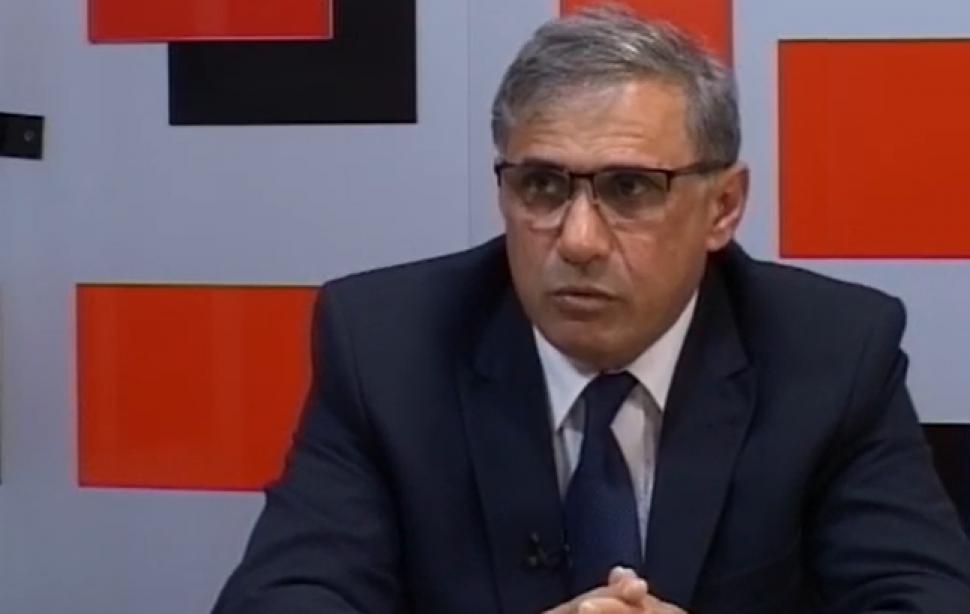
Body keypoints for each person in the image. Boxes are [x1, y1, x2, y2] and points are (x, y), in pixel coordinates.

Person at [213, 8, 970, 613]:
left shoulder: (832, 353)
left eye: (630, 189)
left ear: (723, 207)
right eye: (541, 186)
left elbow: (925, 598)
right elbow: (285, 598)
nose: (577, 240)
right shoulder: (386, 346)